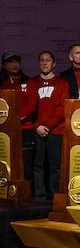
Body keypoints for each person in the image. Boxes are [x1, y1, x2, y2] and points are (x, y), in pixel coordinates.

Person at [20, 51, 69, 199]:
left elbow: (62, 108)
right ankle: (39, 195)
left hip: (56, 131)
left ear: (54, 63)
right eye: (42, 60)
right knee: (38, 165)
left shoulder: (62, 83)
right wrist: (37, 126)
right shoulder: (32, 82)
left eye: (48, 60)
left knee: (56, 166)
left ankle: (55, 195)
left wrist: (48, 126)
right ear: (38, 63)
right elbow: (30, 107)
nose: (45, 63)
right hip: (38, 130)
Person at [0, 51, 33, 180]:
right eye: (10, 61)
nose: (14, 64)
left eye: (17, 61)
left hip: (24, 129)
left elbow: (32, 104)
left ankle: (27, 194)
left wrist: (16, 118)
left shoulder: (28, 81)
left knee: (26, 164)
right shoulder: (1, 83)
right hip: (3, 129)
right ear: (3, 65)